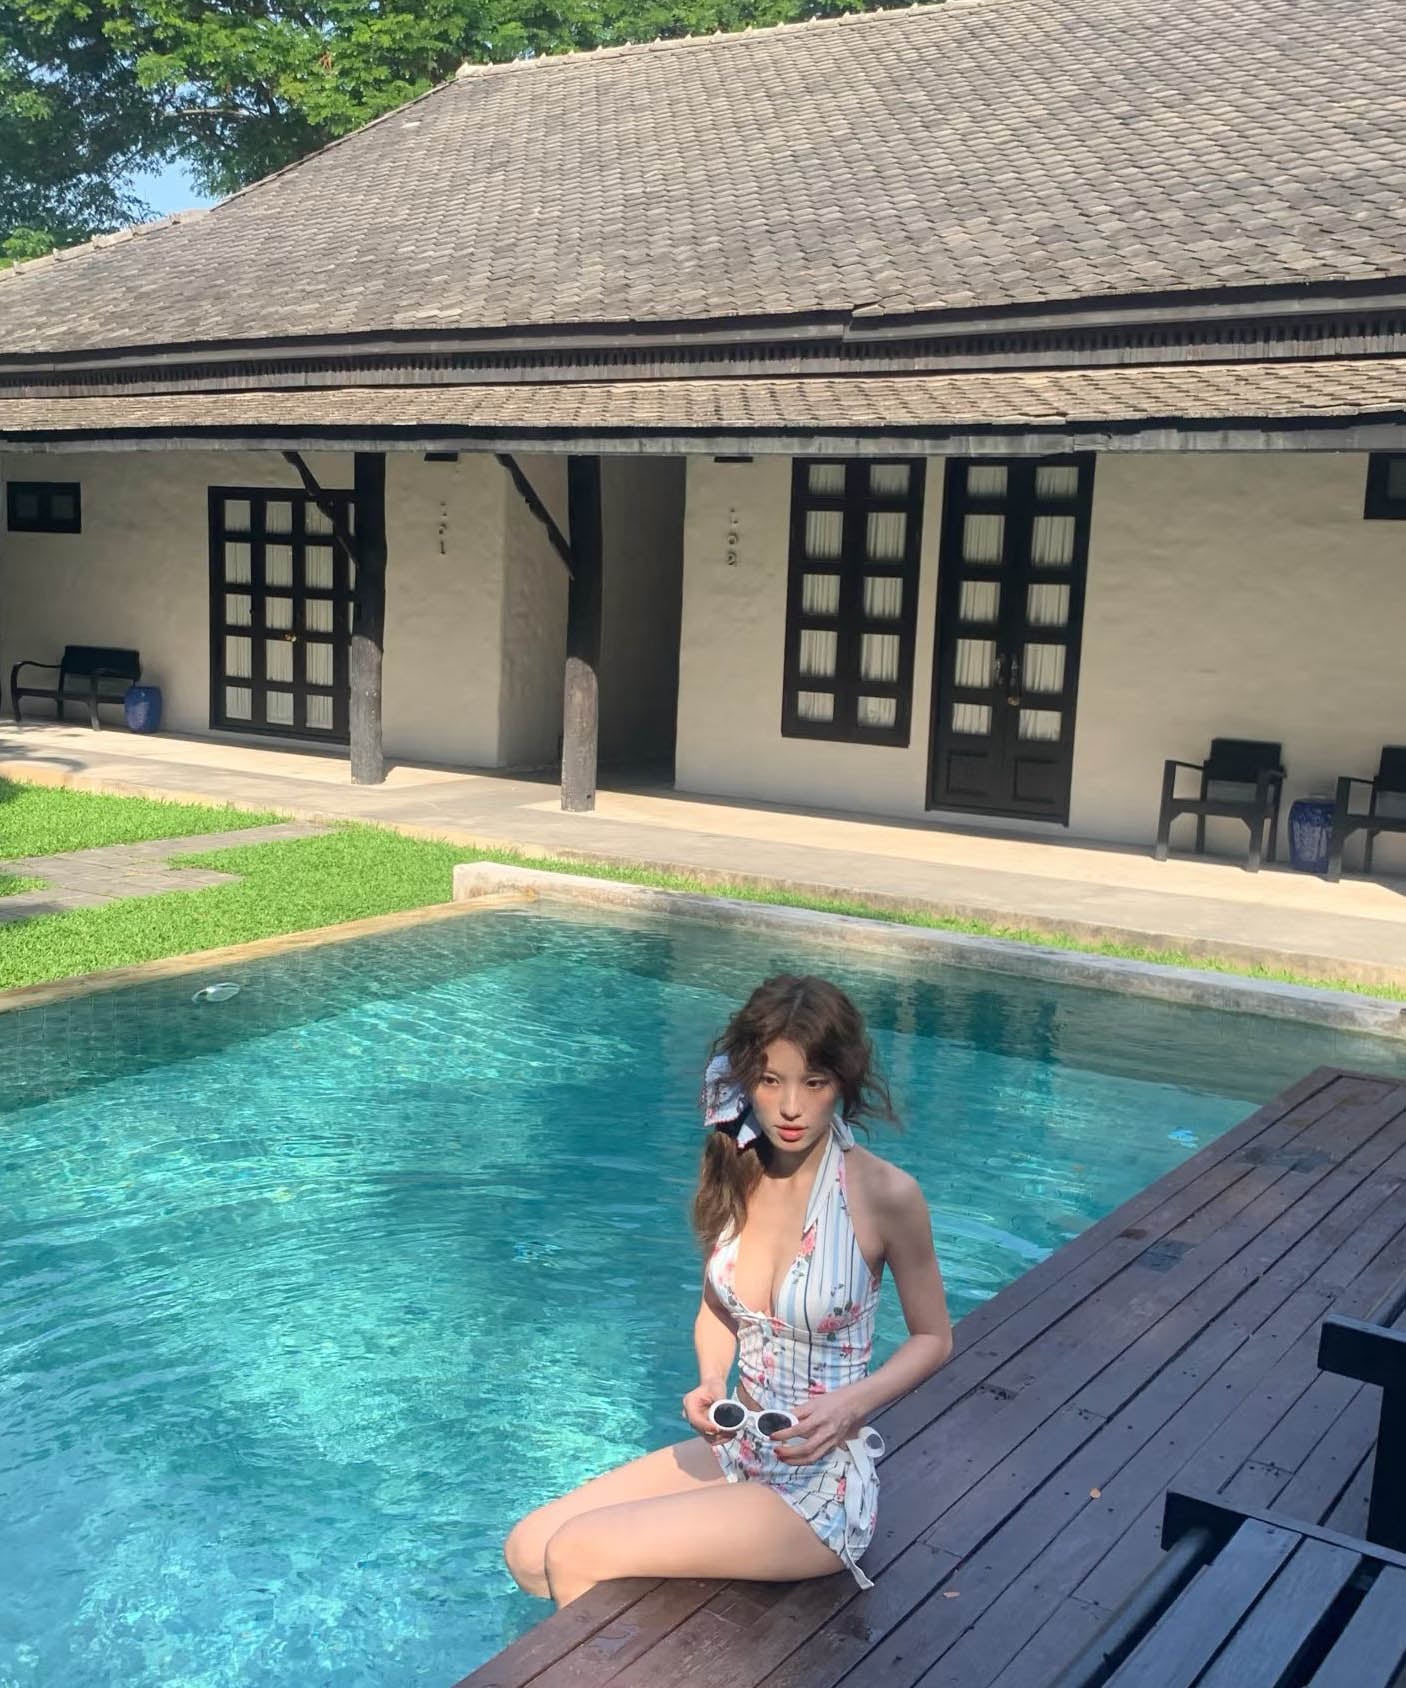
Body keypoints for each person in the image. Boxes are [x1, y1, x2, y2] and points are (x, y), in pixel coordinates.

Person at [503, 974, 953, 1607]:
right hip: (738, 1447)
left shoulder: (885, 1195)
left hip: (817, 1486)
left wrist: (851, 1406)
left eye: (814, 1082)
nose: (791, 1107)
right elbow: (718, 1308)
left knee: (575, 1551)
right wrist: (711, 1381)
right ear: (747, 1080)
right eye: (771, 1081)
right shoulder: (738, 1167)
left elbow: (934, 1337)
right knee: (528, 1550)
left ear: (842, 1083)